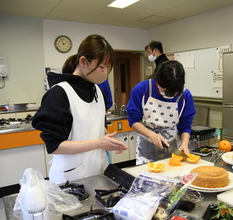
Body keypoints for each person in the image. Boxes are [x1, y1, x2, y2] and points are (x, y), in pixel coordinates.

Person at [32, 34, 128, 184]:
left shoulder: (98, 92)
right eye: (102, 67)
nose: (105, 72)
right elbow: (54, 146)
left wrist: (109, 139)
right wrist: (97, 143)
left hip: (98, 170)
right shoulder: (60, 94)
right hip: (70, 178)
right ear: (83, 61)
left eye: (108, 67)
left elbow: (97, 125)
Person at [127, 60, 196, 165]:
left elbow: (185, 124)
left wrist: (184, 145)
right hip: (146, 148)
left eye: (174, 92)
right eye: (165, 90)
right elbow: (133, 121)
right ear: (157, 82)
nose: (169, 95)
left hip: (173, 149)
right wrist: (151, 135)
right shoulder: (141, 90)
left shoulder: (185, 96)